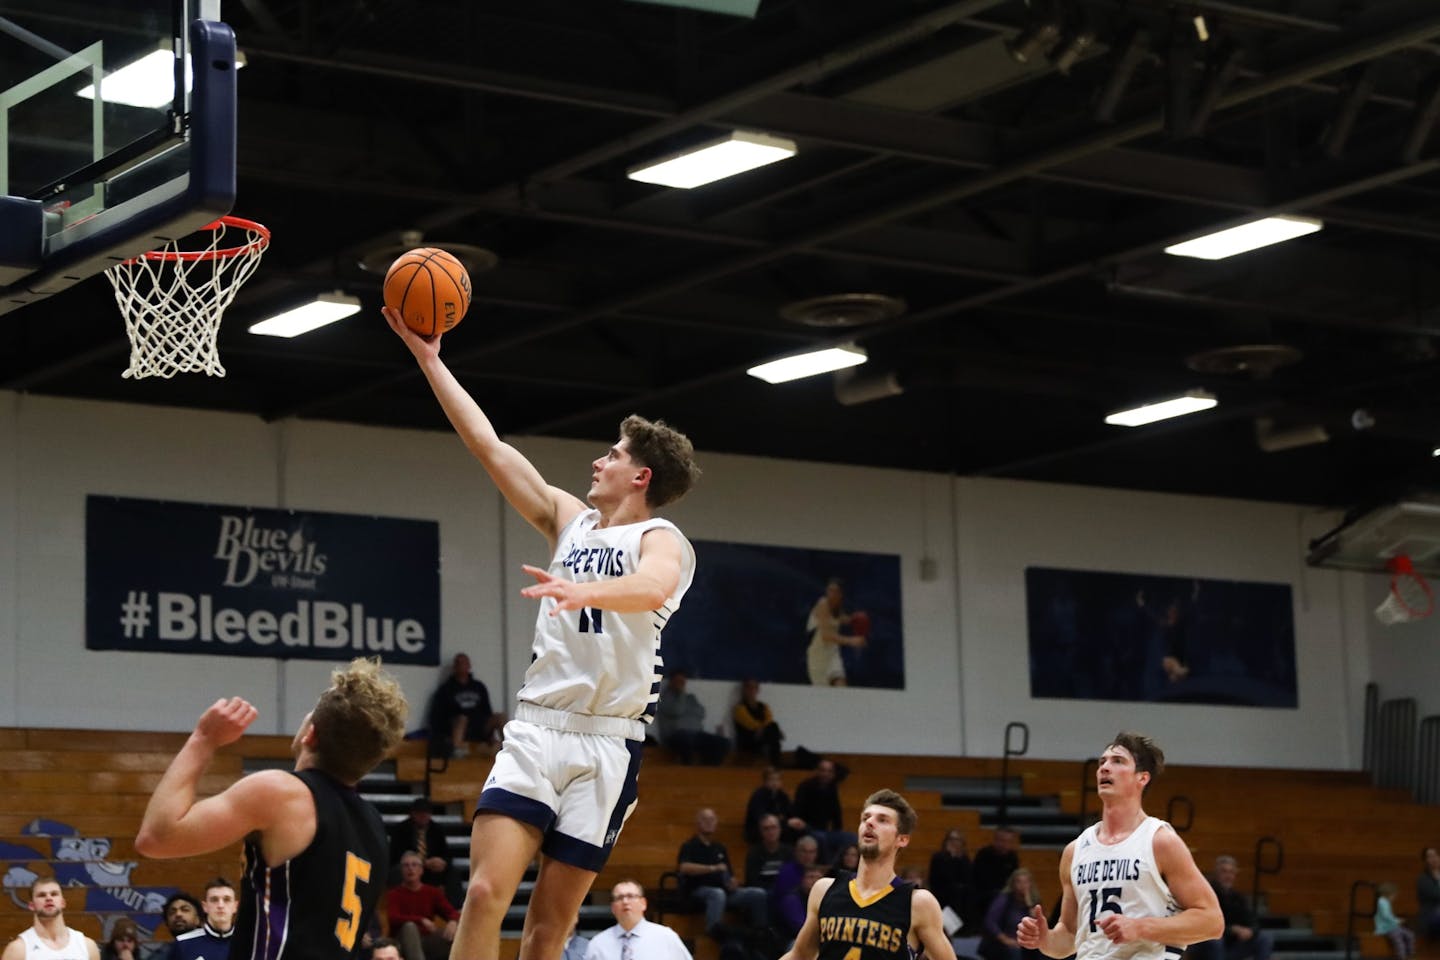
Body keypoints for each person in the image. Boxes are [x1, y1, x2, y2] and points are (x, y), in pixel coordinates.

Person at [387, 307, 701, 960]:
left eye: (612, 455)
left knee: (548, 930)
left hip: (608, 743)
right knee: (481, 895)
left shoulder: (660, 539)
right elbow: (490, 446)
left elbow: (648, 588)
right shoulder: (569, 520)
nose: (599, 459)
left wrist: (584, 591)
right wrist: (430, 361)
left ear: (640, 476)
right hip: (537, 729)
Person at [135, 657, 409, 960]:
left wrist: (203, 739)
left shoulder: (283, 793)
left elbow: (156, 838)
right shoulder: (374, 827)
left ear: (311, 734)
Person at [1016, 732, 1223, 960]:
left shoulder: (1159, 841)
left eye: (1118, 761)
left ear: (1142, 778)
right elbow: (1069, 936)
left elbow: (1212, 921)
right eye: (1102, 762)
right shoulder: (1075, 850)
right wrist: (1045, 940)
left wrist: (1141, 927)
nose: (1105, 767)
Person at [779, 788, 957, 960]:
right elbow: (800, 955)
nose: (870, 822)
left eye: (883, 820)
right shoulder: (824, 889)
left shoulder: (917, 903)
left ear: (902, 839)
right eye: (865, 818)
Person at [678, 807, 769, 936]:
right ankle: (713, 929)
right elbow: (684, 867)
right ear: (698, 823)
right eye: (705, 819)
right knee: (717, 894)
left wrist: (733, 882)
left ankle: (760, 931)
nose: (709, 822)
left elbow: (728, 873)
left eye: (712, 819)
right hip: (698, 890)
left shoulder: (719, 847)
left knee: (757, 893)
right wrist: (712, 868)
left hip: (725, 890)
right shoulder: (689, 845)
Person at [1189, 856, 1273, 960]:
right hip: (1206, 944)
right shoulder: (1205, 894)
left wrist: (1250, 930)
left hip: (1230, 945)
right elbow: (1204, 925)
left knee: (1264, 939)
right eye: (1224, 871)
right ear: (1216, 873)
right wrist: (1232, 930)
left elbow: (1253, 921)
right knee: (1216, 941)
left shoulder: (1238, 897)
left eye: (1231, 872)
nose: (1228, 876)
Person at [584, 880, 693, 960]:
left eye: (631, 896)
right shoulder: (598, 943)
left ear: (643, 903)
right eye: (620, 898)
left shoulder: (666, 937)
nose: (625, 901)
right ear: (613, 907)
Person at [0, 875, 100, 960]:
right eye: (41, 895)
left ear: (63, 903)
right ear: (32, 906)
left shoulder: (87, 946)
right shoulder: (18, 950)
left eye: (54, 894)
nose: (49, 898)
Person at [430, 652, 507, 758]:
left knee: (501, 717)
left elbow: (487, 711)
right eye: (458, 663)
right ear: (454, 667)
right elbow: (438, 717)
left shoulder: (479, 687)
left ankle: (510, 749)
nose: (461, 665)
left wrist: (491, 736)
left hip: (479, 726)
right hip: (457, 728)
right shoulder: (445, 689)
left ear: (469, 666)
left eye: (464, 663)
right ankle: (457, 752)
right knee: (462, 719)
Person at [387, 850, 461, 960]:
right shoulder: (394, 894)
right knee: (410, 927)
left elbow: (452, 912)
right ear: (401, 871)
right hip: (400, 941)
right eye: (406, 866)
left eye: (414, 865)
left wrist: (453, 921)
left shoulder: (432, 892)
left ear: (421, 870)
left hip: (426, 940)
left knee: (457, 934)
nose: (410, 869)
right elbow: (393, 918)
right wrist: (420, 920)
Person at [656, 670, 730, 765]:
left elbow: (701, 713)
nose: (680, 684)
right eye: (678, 681)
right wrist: (681, 695)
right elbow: (677, 711)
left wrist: (685, 707)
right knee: (685, 739)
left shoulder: (691, 697)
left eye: (682, 681)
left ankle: (709, 771)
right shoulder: (664, 698)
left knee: (723, 743)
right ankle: (688, 771)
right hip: (676, 735)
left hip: (697, 734)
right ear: (671, 682)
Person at [805, 579, 866, 686]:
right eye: (830, 590)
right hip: (817, 657)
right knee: (825, 697)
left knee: (842, 690)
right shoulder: (823, 604)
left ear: (841, 594)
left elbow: (839, 619)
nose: (832, 594)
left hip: (833, 653)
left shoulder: (837, 607)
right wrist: (851, 641)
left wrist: (853, 619)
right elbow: (826, 636)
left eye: (835, 591)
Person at [792, 759, 855, 860]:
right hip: (807, 829)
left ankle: (842, 867)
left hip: (825, 831)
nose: (826, 774)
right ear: (817, 771)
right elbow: (797, 811)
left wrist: (838, 832)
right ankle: (828, 867)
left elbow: (836, 812)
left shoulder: (832, 788)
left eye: (829, 771)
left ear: (833, 774)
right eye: (823, 770)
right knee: (821, 838)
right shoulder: (805, 787)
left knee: (851, 838)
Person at [389, 796, 453, 892]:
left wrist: (442, 862)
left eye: (426, 813)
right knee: (398, 871)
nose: (423, 816)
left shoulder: (437, 829)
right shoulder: (400, 829)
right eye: (420, 813)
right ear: (413, 814)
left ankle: (454, 905)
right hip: (409, 865)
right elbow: (394, 855)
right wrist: (421, 862)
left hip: (432, 869)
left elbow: (446, 854)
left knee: (453, 872)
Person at [171, 877, 238, 960]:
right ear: (205, 906)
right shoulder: (183, 944)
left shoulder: (250, 942)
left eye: (227, 900)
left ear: (235, 906)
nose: (220, 905)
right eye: (214, 900)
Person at [980, 869, 1040, 960]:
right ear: (1013, 884)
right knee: (1014, 951)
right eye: (1019, 882)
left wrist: (1029, 901)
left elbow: (1036, 922)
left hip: (1026, 942)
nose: (1022, 885)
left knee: (1042, 951)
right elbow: (990, 922)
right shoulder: (1004, 899)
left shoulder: (1034, 901)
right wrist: (1006, 940)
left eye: (1026, 882)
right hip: (1003, 941)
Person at [972, 827, 1021, 927]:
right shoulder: (984, 854)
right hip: (984, 894)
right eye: (1002, 841)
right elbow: (977, 879)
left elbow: (1014, 878)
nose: (1005, 845)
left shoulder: (1012, 857)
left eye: (1008, 841)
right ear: (995, 840)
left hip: (1005, 894)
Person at [929, 828, 975, 931]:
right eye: (951, 839)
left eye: (957, 839)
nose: (954, 842)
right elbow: (942, 878)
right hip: (942, 894)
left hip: (961, 896)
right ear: (946, 841)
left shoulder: (964, 859)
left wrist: (956, 858)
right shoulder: (938, 857)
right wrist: (950, 857)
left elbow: (967, 878)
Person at [745, 767, 803, 845]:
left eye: (777, 780)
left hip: (779, 826)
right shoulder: (758, 796)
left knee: (800, 829)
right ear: (765, 782)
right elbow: (761, 818)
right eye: (771, 780)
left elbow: (791, 812)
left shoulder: (782, 795)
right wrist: (785, 821)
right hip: (759, 829)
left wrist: (795, 821)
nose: (775, 783)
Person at [733, 678, 784, 766]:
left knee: (773, 727)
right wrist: (761, 728)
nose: (751, 690)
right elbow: (750, 724)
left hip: (763, 737)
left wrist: (761, 729)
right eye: (748, 687)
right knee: (774, 731)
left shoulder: (764, 706)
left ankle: (773, 763)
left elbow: (769, 720)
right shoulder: (739, 708)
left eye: (754, 687)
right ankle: (775, 765)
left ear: (758, 690)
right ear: (744, 690)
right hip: (748, 740)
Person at [746, 814, 794, 894]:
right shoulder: (754, 853)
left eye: (774, 827)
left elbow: (792, 877)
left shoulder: (789, 851)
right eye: (766, 829)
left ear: (780, 829)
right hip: (764, 893)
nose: (771, 832)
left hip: (784, 892)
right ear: (761, 832)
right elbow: (752, 882)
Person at [148, 893, 202, 960]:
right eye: (172, 912)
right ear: (167, 923)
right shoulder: (161, 955)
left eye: (185, 910)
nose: (178, 914)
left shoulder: (212, 947)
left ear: (198, 919)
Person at [1376, 883, 1416, 960]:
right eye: (1393, 895)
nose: (1394, 897)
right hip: (1386, 928)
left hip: (1393, 926)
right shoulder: (1381, 902)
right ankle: (1402, 957)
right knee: (1399, 940)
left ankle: (1410, 954)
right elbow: (1386, 916)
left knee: (1410, 935)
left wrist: (1397, 921)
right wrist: (1397, 920)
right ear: (1388, 894)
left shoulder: (1386, 902)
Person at [1418, 847, 1440, 939]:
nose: (1434, 858)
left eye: (1435, 855)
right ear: (1426, 861)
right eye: (1430, 856)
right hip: (1432, 916)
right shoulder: (1423, 879)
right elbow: (1436, 895)